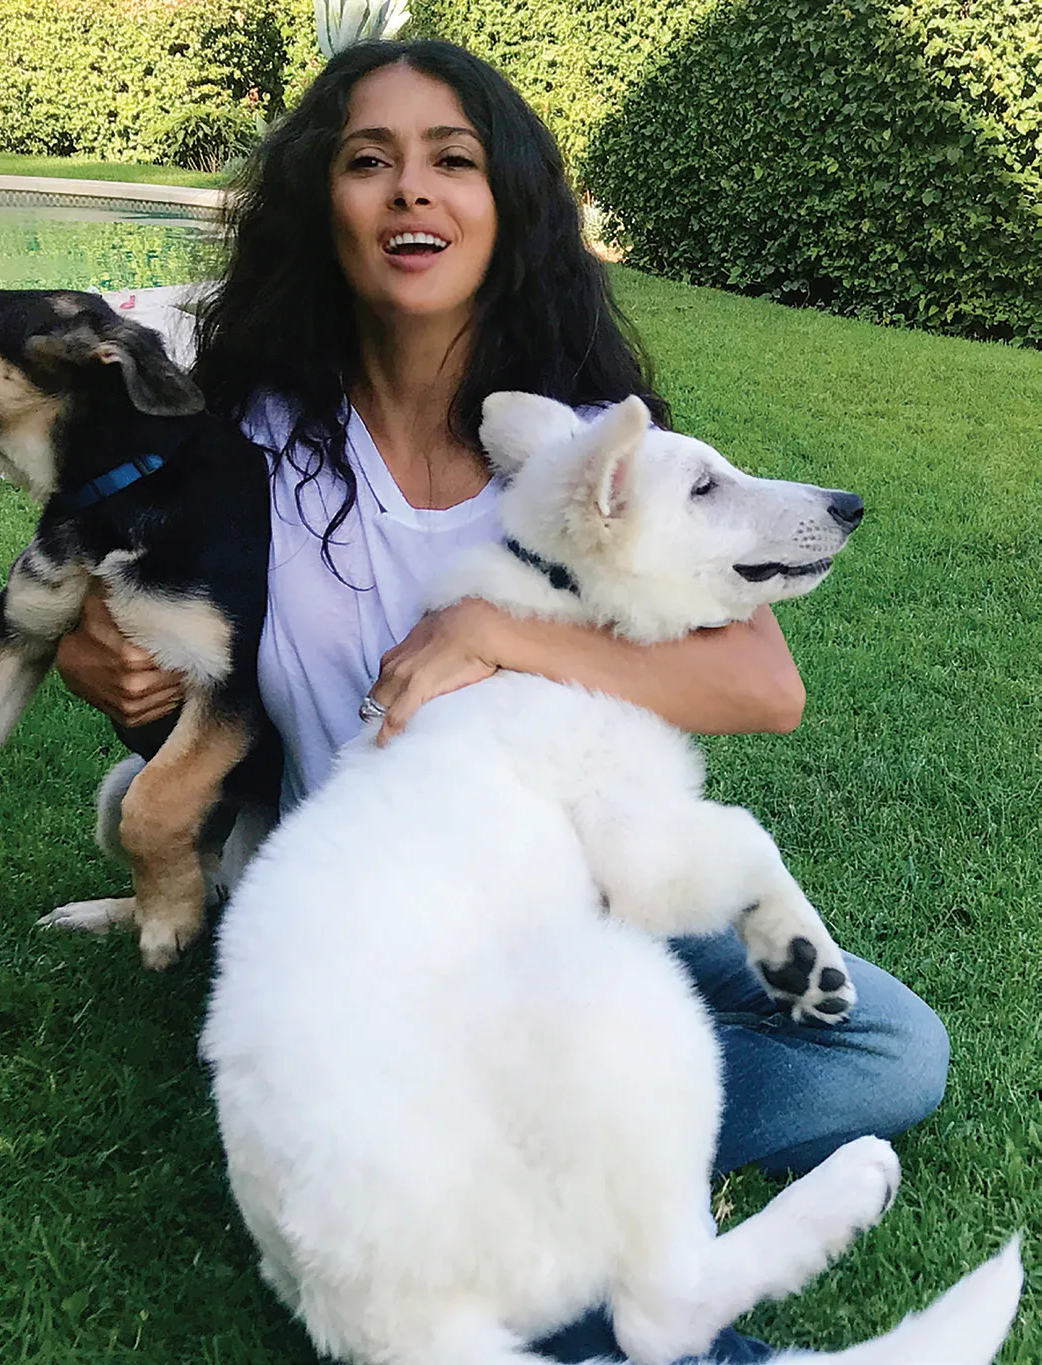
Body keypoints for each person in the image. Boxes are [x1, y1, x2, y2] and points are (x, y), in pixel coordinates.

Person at [55, 39, 950, 1363]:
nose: (412, 190)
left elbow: (760, 683)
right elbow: (169, 664)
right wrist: (104, 664)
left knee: (891, 1053)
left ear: (505, 201)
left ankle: (559, 1160)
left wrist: (491, 632)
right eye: (370, 161)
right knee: (462, 1234)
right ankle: (545, 1178)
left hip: (579, 888)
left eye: (453, 160)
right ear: (323, 202)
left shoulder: (583, 449)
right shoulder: (250, 442)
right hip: (385, 925)